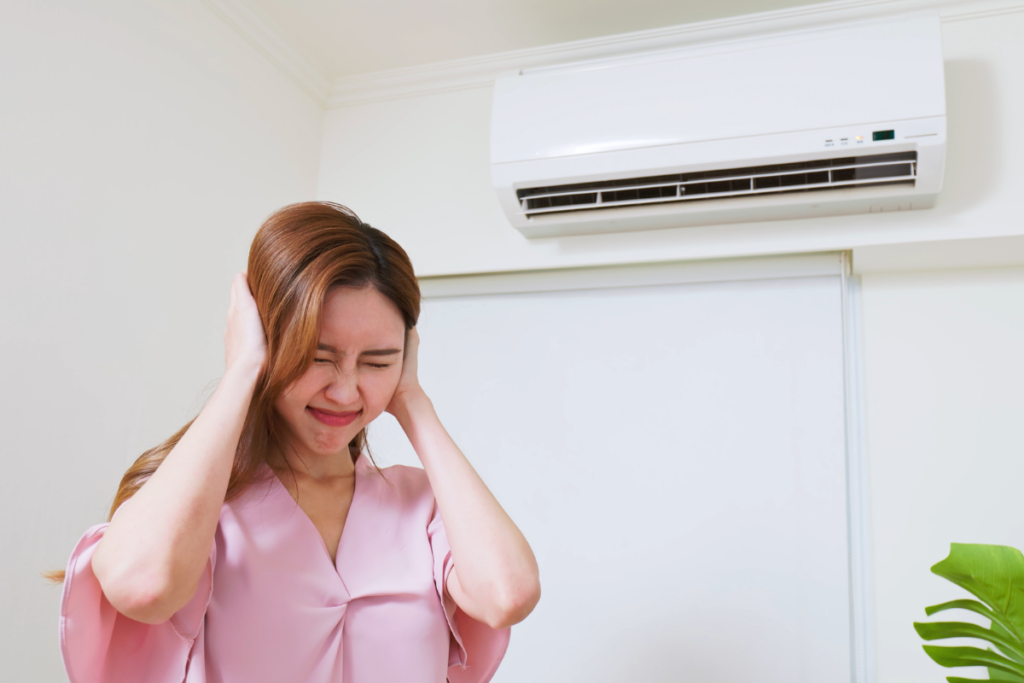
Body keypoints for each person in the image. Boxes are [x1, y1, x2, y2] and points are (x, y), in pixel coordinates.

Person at [56, 202, 541, 683]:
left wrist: (414, 403)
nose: (346, 391)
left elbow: (507, 596)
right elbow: (143, 586)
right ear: (267, 341)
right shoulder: (204, 507)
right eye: (318, 356)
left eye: (377, 362)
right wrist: (242, 372)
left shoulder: (422, 506)